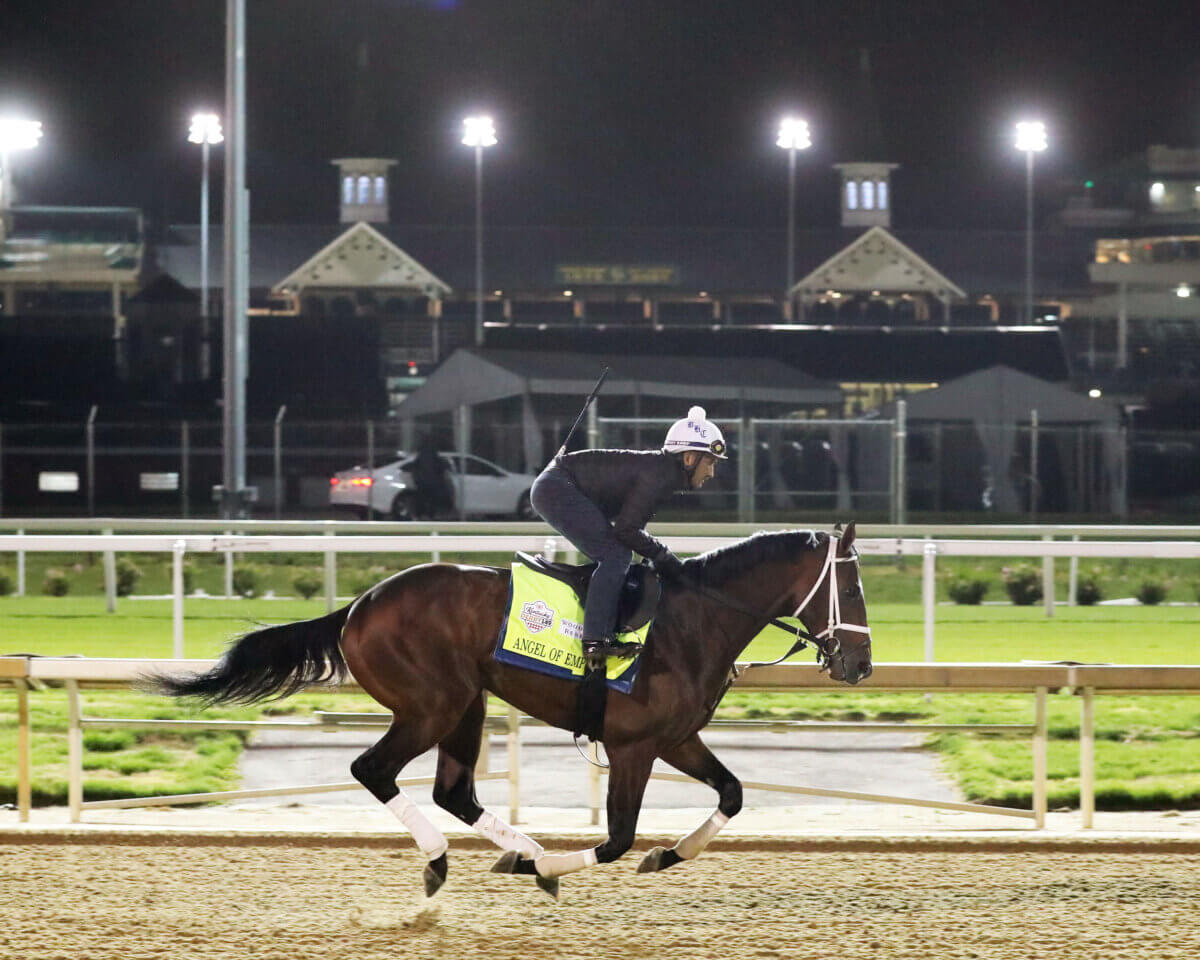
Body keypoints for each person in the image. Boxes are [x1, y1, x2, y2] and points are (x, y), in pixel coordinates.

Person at [529, 405, 727, 666]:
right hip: (557, 487)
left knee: (617, 554)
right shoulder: (660, 475)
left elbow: (628, 529)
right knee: (616, 556)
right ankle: (594, 641)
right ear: (689, 458)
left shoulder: (662, 472)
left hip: (558, 483)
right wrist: (666, 558)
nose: (711, 472)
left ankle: (600, 629)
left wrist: (661, 557)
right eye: (710, 461)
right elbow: (626, 529)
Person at [410, 436, 453, 519]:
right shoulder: (434, 454)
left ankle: (419, 515)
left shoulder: (421, 454)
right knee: (431, 500)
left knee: (421, 499)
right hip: (432, 482)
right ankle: (430, 515)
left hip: (422, 481)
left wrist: (416, 478)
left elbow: (414, 466)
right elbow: (440, 466)